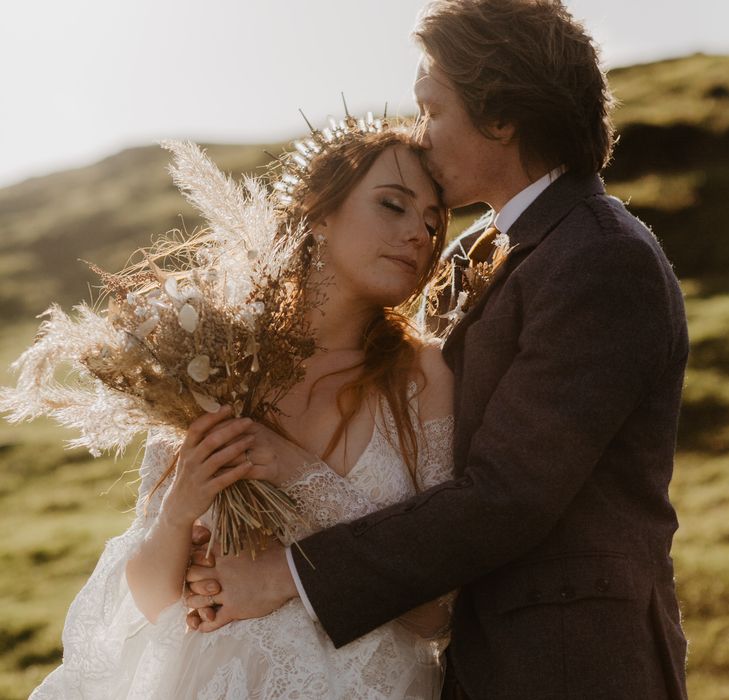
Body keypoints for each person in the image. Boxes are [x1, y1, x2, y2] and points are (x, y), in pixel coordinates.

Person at [185, 1, 690, 698]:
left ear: (501, 115)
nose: (421, 138)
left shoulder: (600, 257)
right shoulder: (470, 256)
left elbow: (510, 496)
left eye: (432, 109)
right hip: (466, 666)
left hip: (573, 667)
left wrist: (284, 573)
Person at [30, 126, 459, 699]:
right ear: (319, 211)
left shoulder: (421, 375)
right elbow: (154, 603)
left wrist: (293, 471)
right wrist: (179, 511)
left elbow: (437, 611)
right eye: (393, 205)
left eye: (432, 223)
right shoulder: (219, 363)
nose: (418, 235)